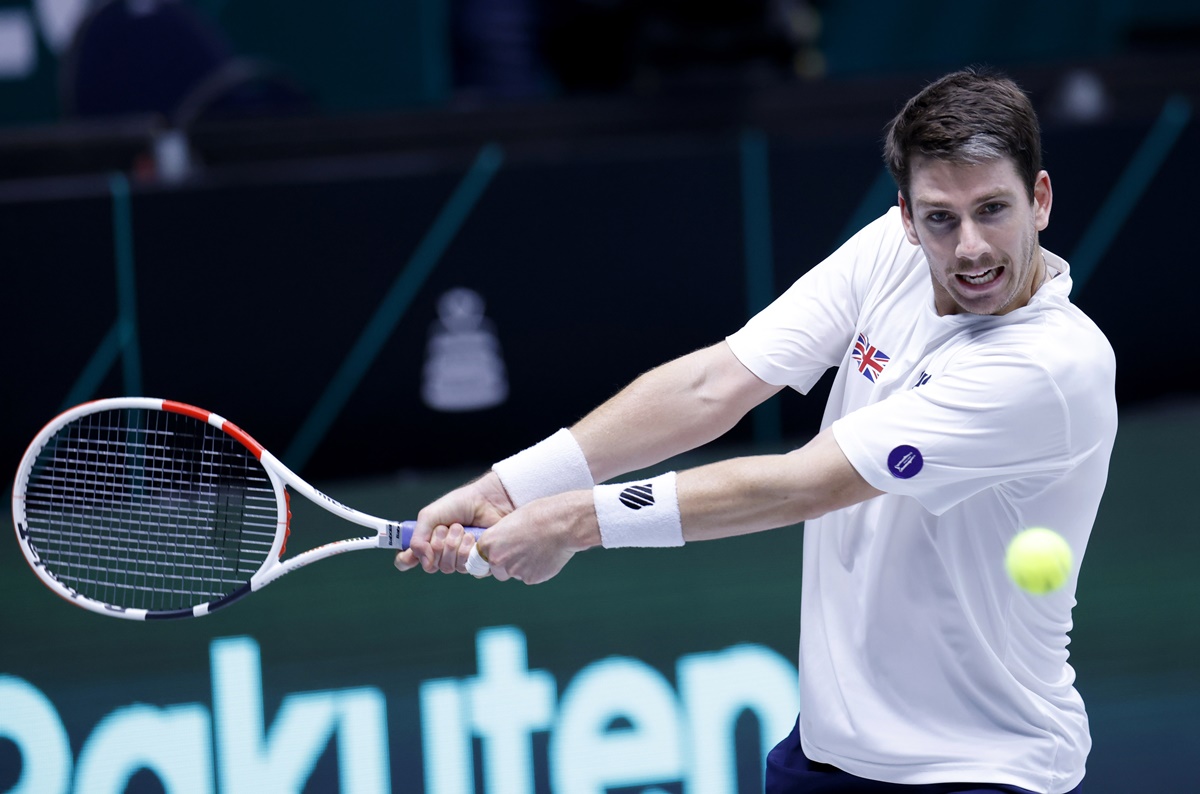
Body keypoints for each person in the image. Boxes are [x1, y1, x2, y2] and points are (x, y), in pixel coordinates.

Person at [395, 67, 1116, 794]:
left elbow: (804, 485)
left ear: (1041, 199)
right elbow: (713, 386)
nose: (968, 248)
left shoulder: (1049, 367)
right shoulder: (891, 255)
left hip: (981, 770)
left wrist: (573, 524)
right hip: (829, 753)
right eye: (940, 218)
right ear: (905, 216)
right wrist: (510, 487)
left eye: (993, 209)